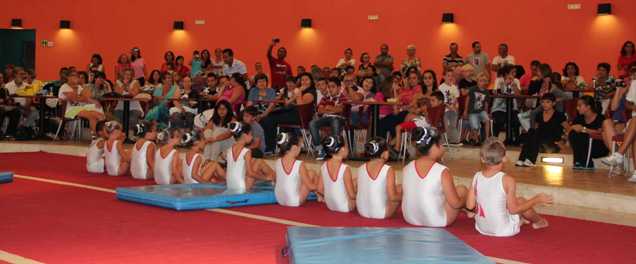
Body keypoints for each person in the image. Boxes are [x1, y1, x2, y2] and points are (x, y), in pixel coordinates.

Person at [466, 138, 552, 237]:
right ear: (504, 158)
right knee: (520, 201)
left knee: (503, 201)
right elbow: (513, 210)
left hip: (482, 228)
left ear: (482, 158)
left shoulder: (477, 176)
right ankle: (539, 222)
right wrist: (536, 199)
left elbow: (469, 206)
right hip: (504, 230)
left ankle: (519, 220)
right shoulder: (507, 180)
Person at [402, 127, 467, 227]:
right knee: (462, 190)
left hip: (409, 217)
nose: (443, 147)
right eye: (441, 144)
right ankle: (470, 211)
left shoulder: (407, 167)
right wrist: (465, 201)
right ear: (434, 147)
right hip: (436, 221)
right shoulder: (442, 171)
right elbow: (455, 204)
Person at [260, 73, 316, 153]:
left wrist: (298, 93)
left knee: (270, 120)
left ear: (311, 81)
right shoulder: (299, 90)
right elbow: (288, 103)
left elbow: (301, 108)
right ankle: (268, 146)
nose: (304, 82)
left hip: (301, 117)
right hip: (292, 112)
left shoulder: (310, 93)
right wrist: (282, 96)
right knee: (267, 116)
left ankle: (271, 147)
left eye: (306, 80)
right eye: (302, 80)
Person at [516, 93, 567, 167]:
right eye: (543, 102)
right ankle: (522, 159)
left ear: (553, 103)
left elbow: (569, 129)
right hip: (540, 142)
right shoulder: (539, 115)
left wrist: (564, 141)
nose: (544, 104)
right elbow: (536, 129)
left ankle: (531, 160)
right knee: (531, 132)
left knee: (535, 135)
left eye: (548, 102)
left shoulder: (559, 116)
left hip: (552, 143)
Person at [356, 138, 401, 219]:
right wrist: (405, 196)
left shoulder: (361, 167)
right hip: (380, 214)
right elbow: (393, 197)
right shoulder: (388, 169)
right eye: (388, 150)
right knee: (401, 189)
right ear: (383, 154)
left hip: (361, 211)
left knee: (395, 187)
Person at [224, 121, 274, 193]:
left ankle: (273, 179)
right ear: (244, 135)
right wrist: (265, 178)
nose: (252, 137)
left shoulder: (229, 150)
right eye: (251, 134)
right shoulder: (246, 151)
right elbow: (250, 173)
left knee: (255, 161)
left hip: (230, 186)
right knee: (259, 162)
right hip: (242, 187)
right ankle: (275, 180)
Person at [274, 132, 318, 207]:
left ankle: (319, 196)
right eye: (300, 146)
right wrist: (323, 188)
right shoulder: (299, 164)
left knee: (309, 173)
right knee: (312, 174)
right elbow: (310, 186)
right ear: (294, 147)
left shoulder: (278, 161)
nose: (301, 149)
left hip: (279, 199)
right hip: (294, 201)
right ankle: (320, 196)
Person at [310, 77, 348, 160]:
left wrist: (328, 108)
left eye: (333, 87)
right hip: (326, 119)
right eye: (329, 87)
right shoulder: (325, 98)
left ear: (339, 87)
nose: (330, 89)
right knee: (312, 123)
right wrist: (332, 109)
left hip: (339, 119)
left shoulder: (343, 97)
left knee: (335, 121)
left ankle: (335, 149)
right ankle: (320, 150)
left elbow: (340, 109)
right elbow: (319, 110)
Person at [58, 71, 106, 137]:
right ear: (68, 77)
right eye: (74, 76)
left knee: (99, 115)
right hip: (69, 111)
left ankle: (101, 135)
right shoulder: (64, 87)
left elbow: (88, 96)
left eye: (77, 76)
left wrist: (83, 85)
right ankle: (95, 137)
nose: (76, 78)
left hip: (79, 108)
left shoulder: (79, 87)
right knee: (91, 116)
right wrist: (83, 97)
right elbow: (74, 99)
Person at [316, 136, 355, 213]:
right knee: (357, 185)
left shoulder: (323, 166)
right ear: (343, 149)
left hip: (330, 205)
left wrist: (329, 195)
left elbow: (319, 189)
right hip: (346, 207)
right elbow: (351, 195)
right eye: (346, 146)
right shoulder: (345, 168)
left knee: (354, 181)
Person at [568, 95, 609, 169]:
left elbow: (601, 133)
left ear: (588, 107)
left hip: (599, 146)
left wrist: (584, 129)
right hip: (584, 146)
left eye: (580, 106)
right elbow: (570, 129)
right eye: (577, 106)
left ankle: (587, 163)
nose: (577, 108)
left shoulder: (600, 118)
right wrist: (572, 128)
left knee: (583, 135)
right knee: (573, 134)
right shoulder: (579, 118)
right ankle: (578, 162)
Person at [491, 65, 522, 144]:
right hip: (499, 107)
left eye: (515, 72)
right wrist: (505, 84)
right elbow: (496, 93)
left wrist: (513, 85)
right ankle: (495, 139)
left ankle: (515, 140)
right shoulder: (499, 80)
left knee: (515, 120)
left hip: (513, 107)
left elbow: (518, 96)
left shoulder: (516, 81)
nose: (514, 74)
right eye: (512, 72)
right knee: (500, 119)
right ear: (506, 73)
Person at [464, 72, 491, 145]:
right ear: (477, 81)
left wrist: (487, 112)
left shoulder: (486, 92)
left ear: (486, 82)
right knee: (475, 126)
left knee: (487, 119)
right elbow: (467, 99)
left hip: (481, 111)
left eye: (484, 81)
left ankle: (487, 138)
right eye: (480, 81)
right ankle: (476, 139)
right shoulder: (473, 89)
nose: (482, 83)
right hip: (472, 112)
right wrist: (465, 111)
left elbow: (486, 104)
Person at [438, 70, 461, 144]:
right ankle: (444, 140)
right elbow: (441, 100)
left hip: (453, 109)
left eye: (451, 75)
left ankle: (454, 140)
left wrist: (456, 107)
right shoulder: (441, 87)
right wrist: (449, 107)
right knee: (445, 125)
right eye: (448, 75)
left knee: (453, 125)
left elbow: (456, 99)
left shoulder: (454, 87)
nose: (450, 77)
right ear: (444, 77)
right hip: (444, 109)